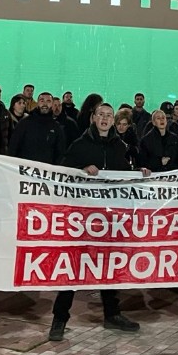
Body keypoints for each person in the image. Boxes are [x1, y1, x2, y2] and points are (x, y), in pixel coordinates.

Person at [49, 103, 145, 341]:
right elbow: (63, 172)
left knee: (109, 266)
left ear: (113, 121)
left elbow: (124, 176)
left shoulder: (119, 146)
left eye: (109, 115)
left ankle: (112, 314)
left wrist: (139, 173)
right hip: (82, 218)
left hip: (109, 219)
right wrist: (81, 170)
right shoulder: (80, 145)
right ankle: (59, 318)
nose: (105, 118)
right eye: (101, 114)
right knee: (74, 266)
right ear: (93, 118)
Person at [9, 92, 66, 165]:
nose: (45, 104)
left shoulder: (56, 127)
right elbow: (13, 148)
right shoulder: (24, 123)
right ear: (37, 103)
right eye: (42, 101)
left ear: (52, 104)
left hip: (46, 170)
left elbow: (60, 153)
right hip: (25, 169)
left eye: (48, 101)